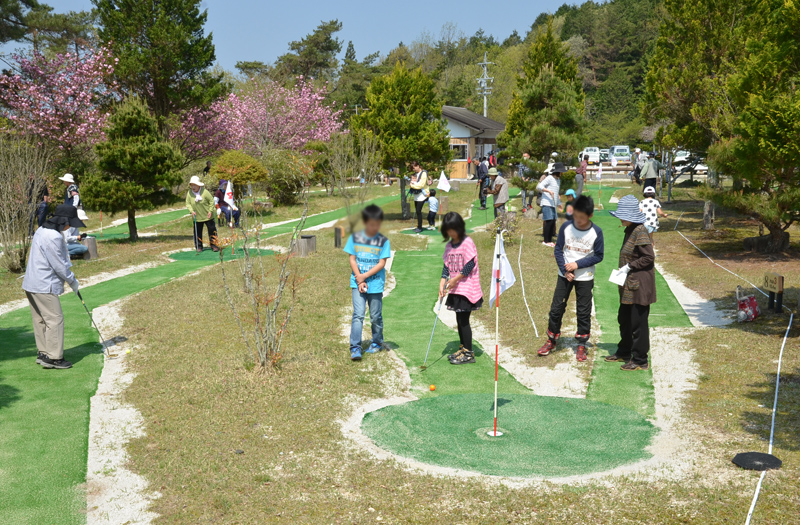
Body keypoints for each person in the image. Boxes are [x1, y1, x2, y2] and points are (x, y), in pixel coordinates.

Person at [537, 195, 604, 362]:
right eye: (575, 216)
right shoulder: (566, 227)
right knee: (556, 308)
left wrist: (577, 264)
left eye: (582, 218)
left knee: (583, 311)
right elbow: (558, 250)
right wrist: (564, 269)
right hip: (564, 275)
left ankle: (581, 343)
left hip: (585, 277)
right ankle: (551, 339)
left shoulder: (596, 232)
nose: (578, 221)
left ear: (590, 216)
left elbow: (599, 256)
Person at [22, 204, 86, 369]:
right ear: (63, 220)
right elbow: (59, 265)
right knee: (55, 319)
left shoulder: (42, 230)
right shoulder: (53, 237)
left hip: (31, 283)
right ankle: (54, 358)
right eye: (70, 222)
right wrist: (73, 281)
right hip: (44, 284)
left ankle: (44, 353)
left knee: (41, 319)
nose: (70, 226)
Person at [605, 195, 656, 371]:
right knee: (624, 318)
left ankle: (640, 359)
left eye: (623, 214)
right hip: (628, 283)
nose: (620, 217)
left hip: (639, 285)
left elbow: (649, 257)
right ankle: (625, 351)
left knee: (638, 323)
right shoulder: (629, 229)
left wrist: (629, 266)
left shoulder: (640, 230)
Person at [345, 205, 391, 361]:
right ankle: (355, 347)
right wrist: (359, 277)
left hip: (375, 283)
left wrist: (364, 276)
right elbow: (352, 258)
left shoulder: (383, 241)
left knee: (375, 316)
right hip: (357, 281)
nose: (375, 227)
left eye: (378, 224)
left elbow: (381, 263)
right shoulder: (355, 238)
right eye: (372, 224)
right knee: (358, 315)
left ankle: (377, 342)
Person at [439, 212, 483, 365]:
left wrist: (455, 279)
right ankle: (463, 348)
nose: (451, 232)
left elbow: (470, 265)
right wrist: (442, 283)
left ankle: (469, 354)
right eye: (448, 230)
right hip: (456, 290)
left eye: (453, 229)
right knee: (459, 319)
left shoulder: (467, 242)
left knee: (464, 321)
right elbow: (446, 267)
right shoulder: (449, 246)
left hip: (467, 289)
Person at [185, 175, 219, 253]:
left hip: (207, 215)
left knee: (212, 231)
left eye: (195, 185)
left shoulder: (205, 192)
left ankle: (214, 245)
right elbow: (188, 203)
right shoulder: (189, 193)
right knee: (197, 232)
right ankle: (199, 246)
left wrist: (210, 211)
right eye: (192, 185)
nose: (193, 187)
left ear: (198, 185)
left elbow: (211, 201)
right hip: (197, 216)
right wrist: (191, 211)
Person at [537, 162, 566, 246]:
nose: (562, 173)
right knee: (549, 221)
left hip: (553, 203)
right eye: (561, 172)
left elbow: (556, 193)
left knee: (552, 221)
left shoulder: (558, 180)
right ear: (557, 172)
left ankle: (549, 240)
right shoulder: (549, 178)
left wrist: (559, 204)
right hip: (546, 202)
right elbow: (539, 186)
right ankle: (546, 241)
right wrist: (548, 191)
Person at [408, 161, 429, 233]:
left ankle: (420, 227)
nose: (414, 170)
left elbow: (421, 185)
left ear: (418, 166)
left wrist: (412, 185)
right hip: (416, 194)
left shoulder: (423, 173)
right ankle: (418, 226)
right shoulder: (416, 174)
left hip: (422, 195)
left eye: (414, 168)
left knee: (418, 211)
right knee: (417, 211)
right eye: (412, 169)